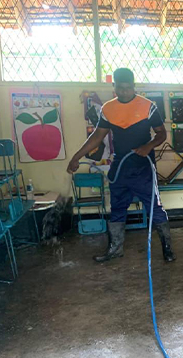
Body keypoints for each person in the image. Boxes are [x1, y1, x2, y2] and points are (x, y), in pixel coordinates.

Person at [67, 68, 175, 262]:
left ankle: (167, 250)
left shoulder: (148, 106)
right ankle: (115, 249)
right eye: (120, 88)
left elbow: (161, 134)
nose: (125, 92)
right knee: (117, 207)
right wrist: (76, 157)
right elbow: (97, 136)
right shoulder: (108, 109)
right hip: (120, 168)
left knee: (155, 207)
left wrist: (148, 146)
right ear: (114, 86)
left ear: (134, 86)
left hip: (144, 168)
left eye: (128, 88)